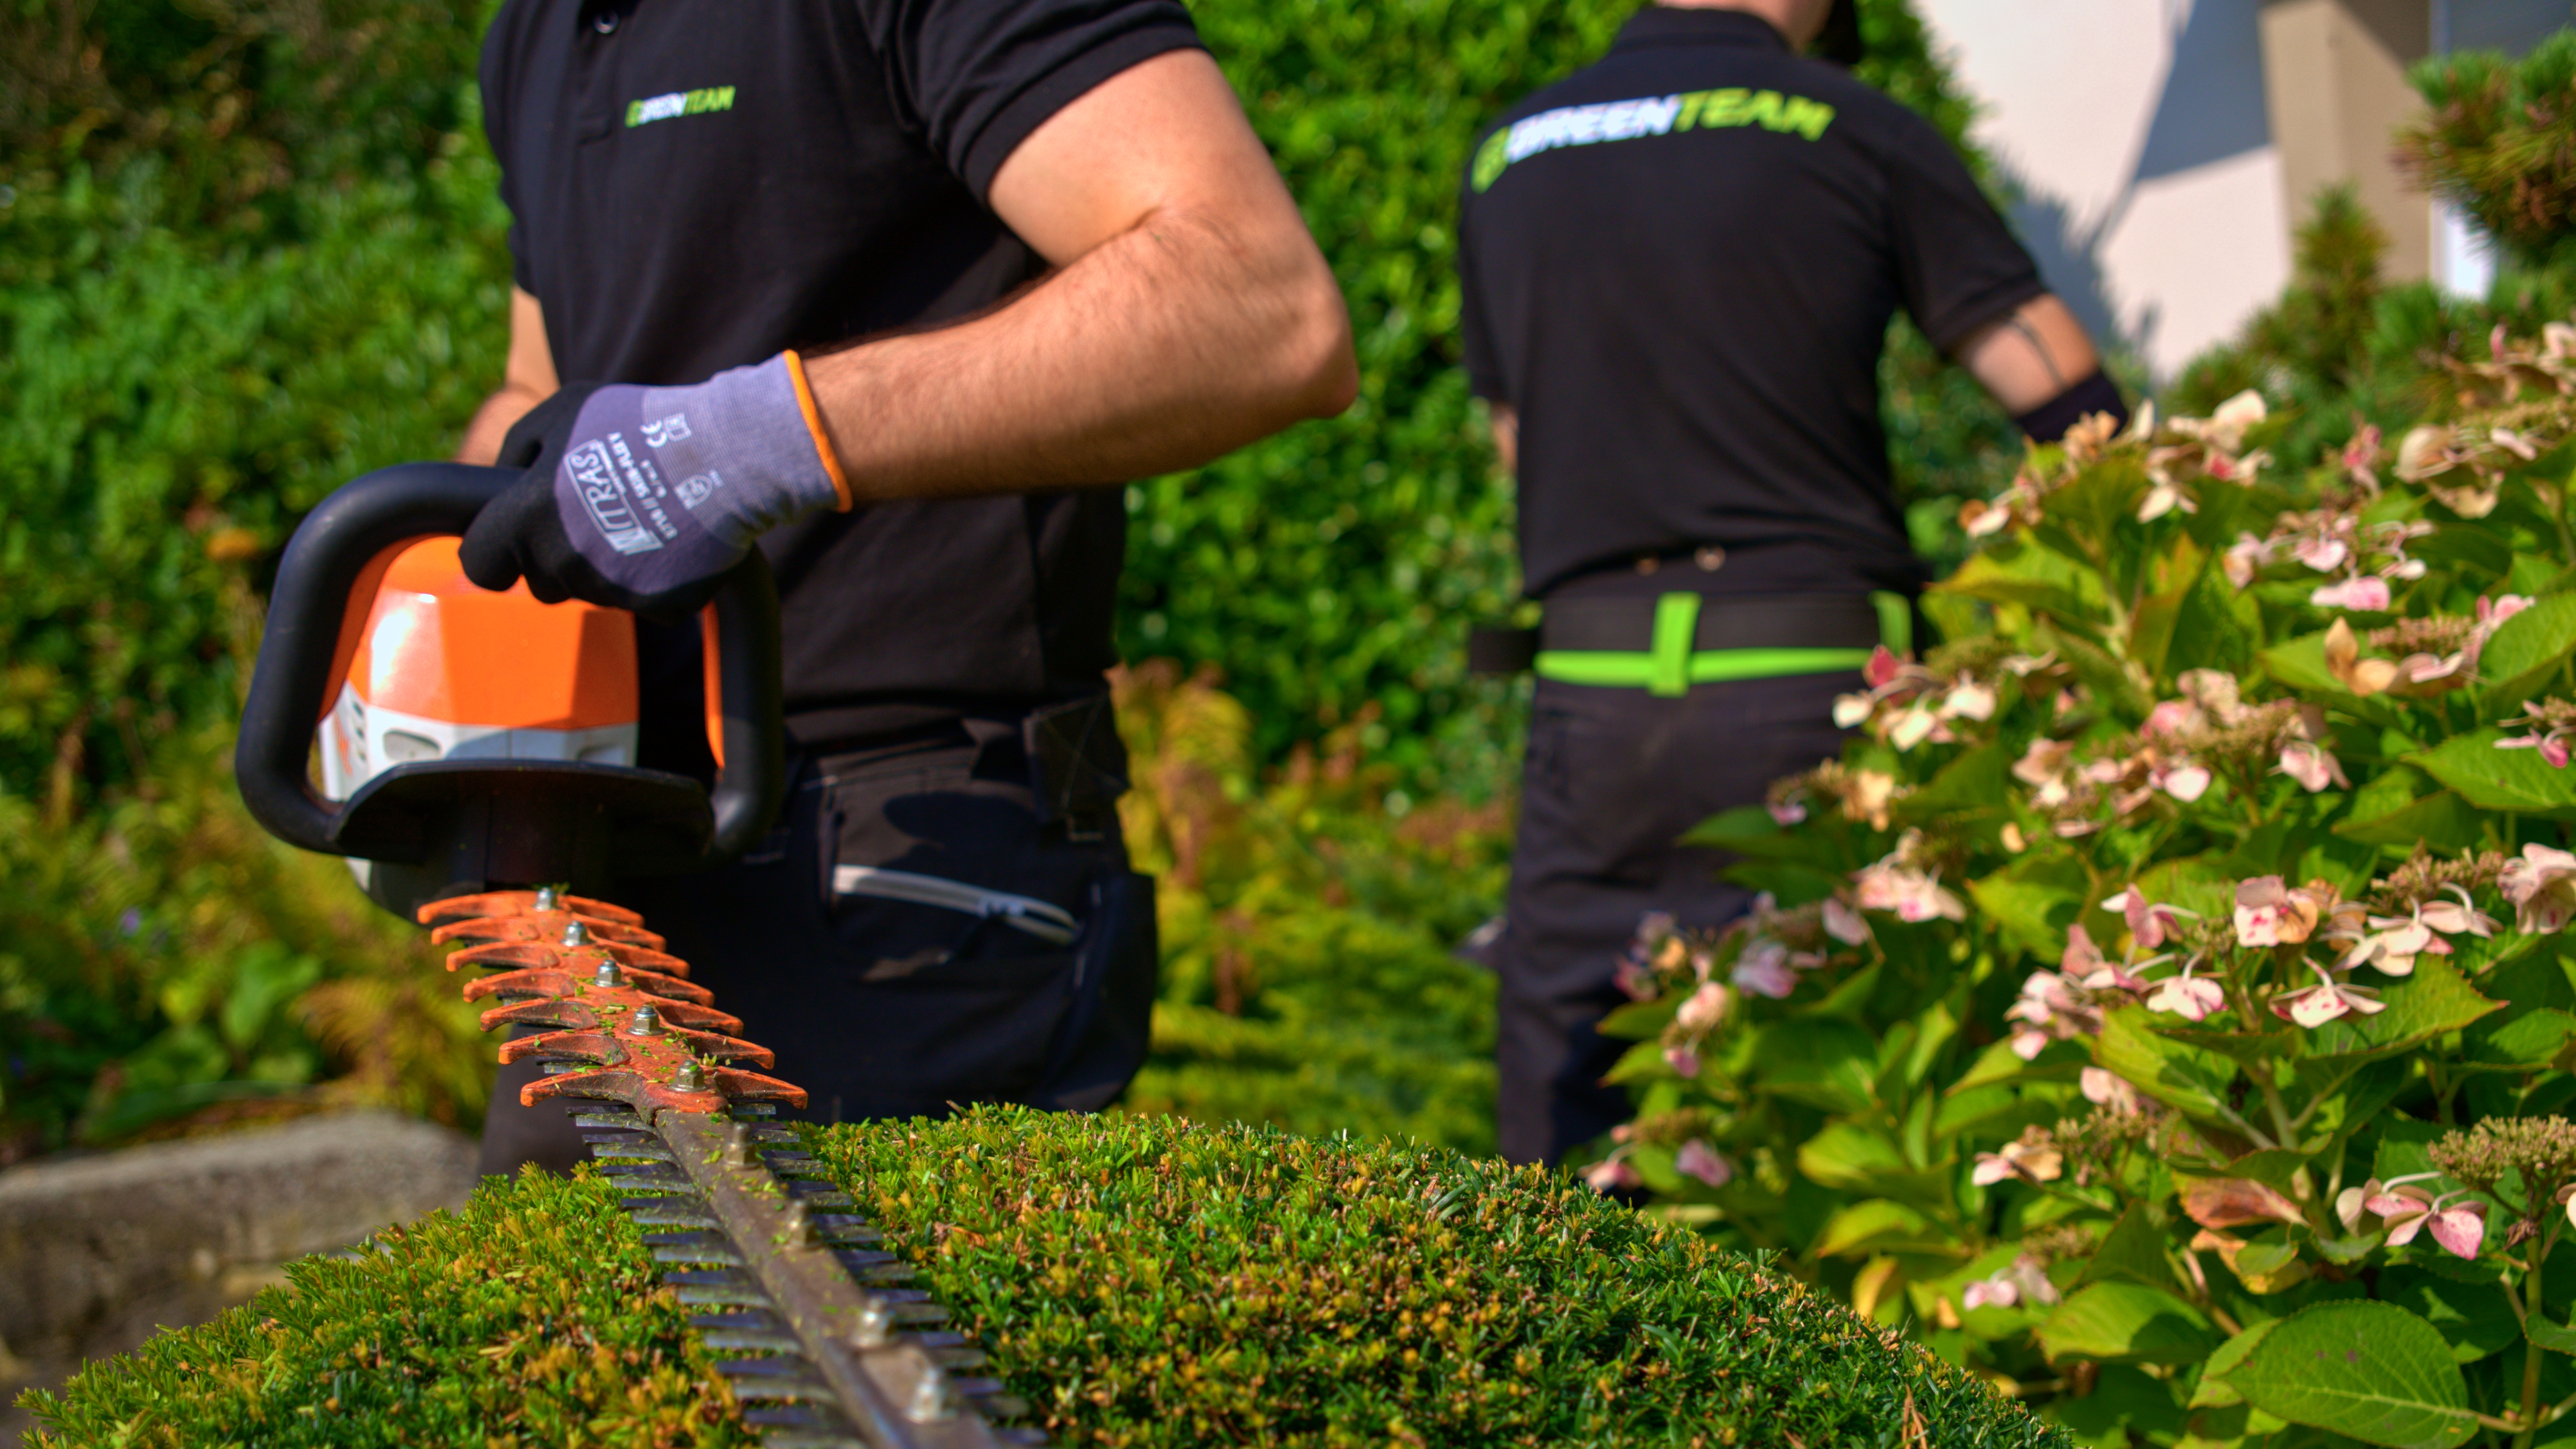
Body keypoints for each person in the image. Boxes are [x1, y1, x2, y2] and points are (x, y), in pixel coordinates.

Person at [455, 0, 1356, 1175]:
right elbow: (537, 387)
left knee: (855, 1357)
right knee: (538, 1343)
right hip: (616, 853)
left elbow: (1256, 305)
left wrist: (737, 444)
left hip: (904, 861)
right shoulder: (536, 32)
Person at [1456, 0, 2124, 1167]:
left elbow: (1521, 439)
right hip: (1811, 678)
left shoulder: (1510, 151)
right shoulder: (1850, 124)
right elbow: (2059, 391)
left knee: (1577, 1126)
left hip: (1595, 689)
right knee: (1863, 1106)